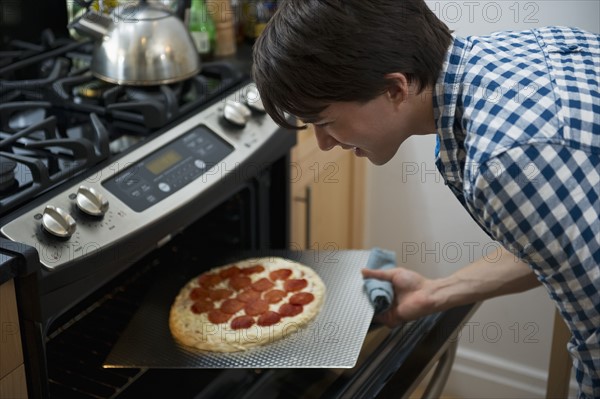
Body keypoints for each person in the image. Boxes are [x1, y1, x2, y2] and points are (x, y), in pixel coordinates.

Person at [251, 0, 599, 397]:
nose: (324, 144)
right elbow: (558, 242)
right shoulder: (513, 52)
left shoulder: (505, 162)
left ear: (395, 87)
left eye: (325, 122)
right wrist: (435, 293)